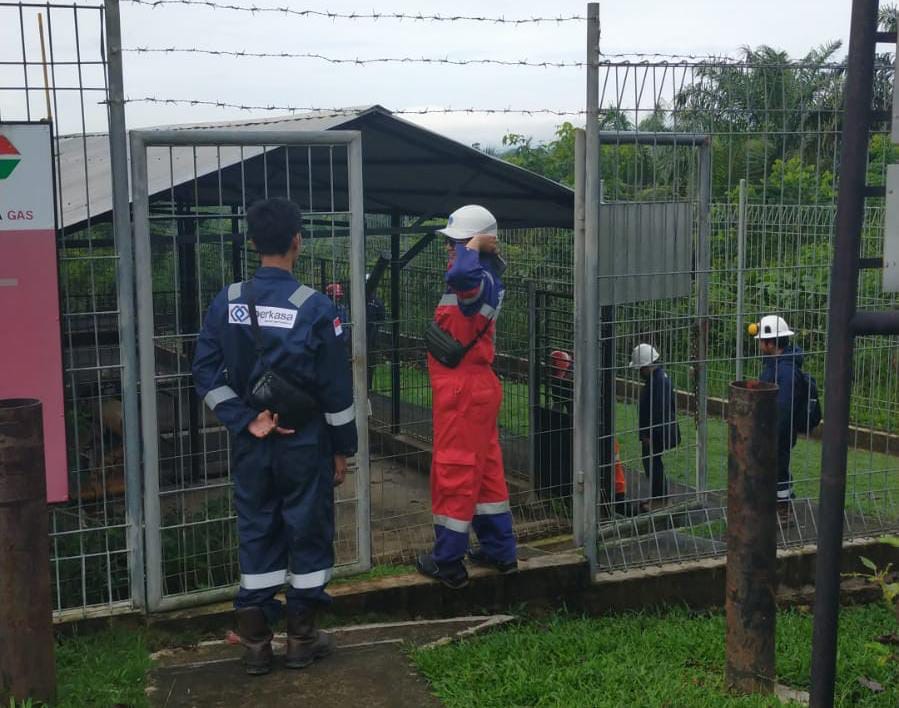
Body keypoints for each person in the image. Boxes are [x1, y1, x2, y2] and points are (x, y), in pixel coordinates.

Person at [192, 198, 357, 676]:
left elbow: (204, 370)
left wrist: (246, 419)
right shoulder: (318, 308)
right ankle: (301, 640)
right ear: (297, 242)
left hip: (252, 444)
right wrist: (342, 448)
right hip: (305, 444)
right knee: (307, 529)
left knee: (257, 528)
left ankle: (256, 645)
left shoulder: (228, 301)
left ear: (251, 243)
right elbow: (335, 389)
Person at [416, 204, 518, 589]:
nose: (451, 251)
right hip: (475, 390)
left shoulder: (472, 280)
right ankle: (499, 551)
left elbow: (461, 270)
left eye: (455, 243)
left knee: (454, 471)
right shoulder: (485, 279)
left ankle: (447, 562)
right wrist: (475, 246)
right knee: (487, 473)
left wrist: (474, 244)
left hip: (462, 392)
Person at [755, 315, 803, 519]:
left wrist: (772, 431)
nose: (759, 345)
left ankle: (783, 510)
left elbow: (783, 408)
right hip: (771, 427)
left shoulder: (786, 371)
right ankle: (777, 503)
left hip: (779, 430)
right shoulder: (775, 365)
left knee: (779, 468)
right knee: (774, 467)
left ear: (770, 343)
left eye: (761, 341)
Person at [629, 343, 680, 513]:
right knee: (653, 462)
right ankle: (659, 498)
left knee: (653, 463)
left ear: (646, 366)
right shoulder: (659, 378)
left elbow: (658, 410)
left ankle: (660, 501)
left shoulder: (658, 381)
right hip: (659, 430)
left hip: (657, 432)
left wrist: (649, 434)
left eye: (640, 368)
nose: (639, 372)